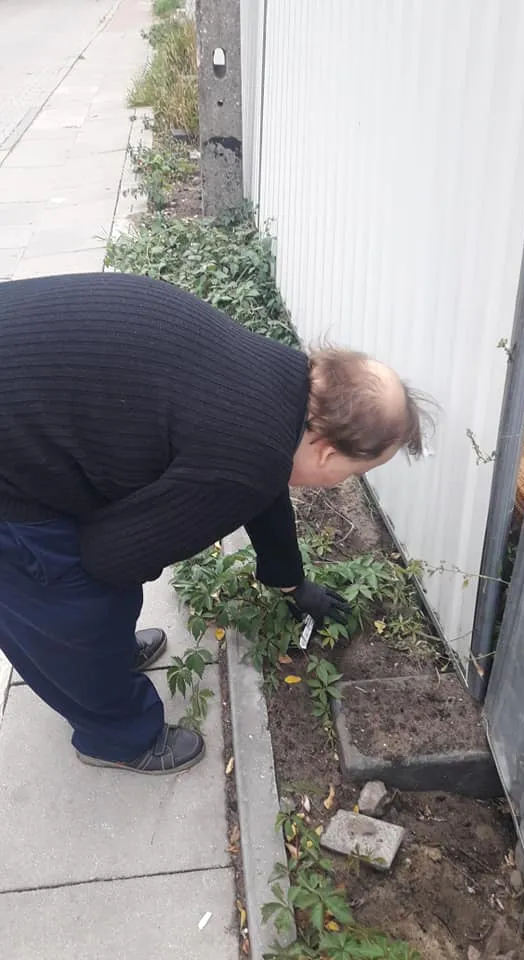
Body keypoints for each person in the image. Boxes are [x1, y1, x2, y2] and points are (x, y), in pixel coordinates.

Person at [0, 272, 426, 775]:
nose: (339, 485)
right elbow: (109, 556)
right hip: (13, 462)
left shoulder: (279, 378)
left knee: (97, 597)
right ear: (328, 451)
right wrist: (158, 526)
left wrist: (292, 581)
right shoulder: (249, 453)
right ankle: (116, 737)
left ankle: (106, 656)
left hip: (23, 366)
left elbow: (262, 482)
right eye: (353, 473)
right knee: (72, 598)